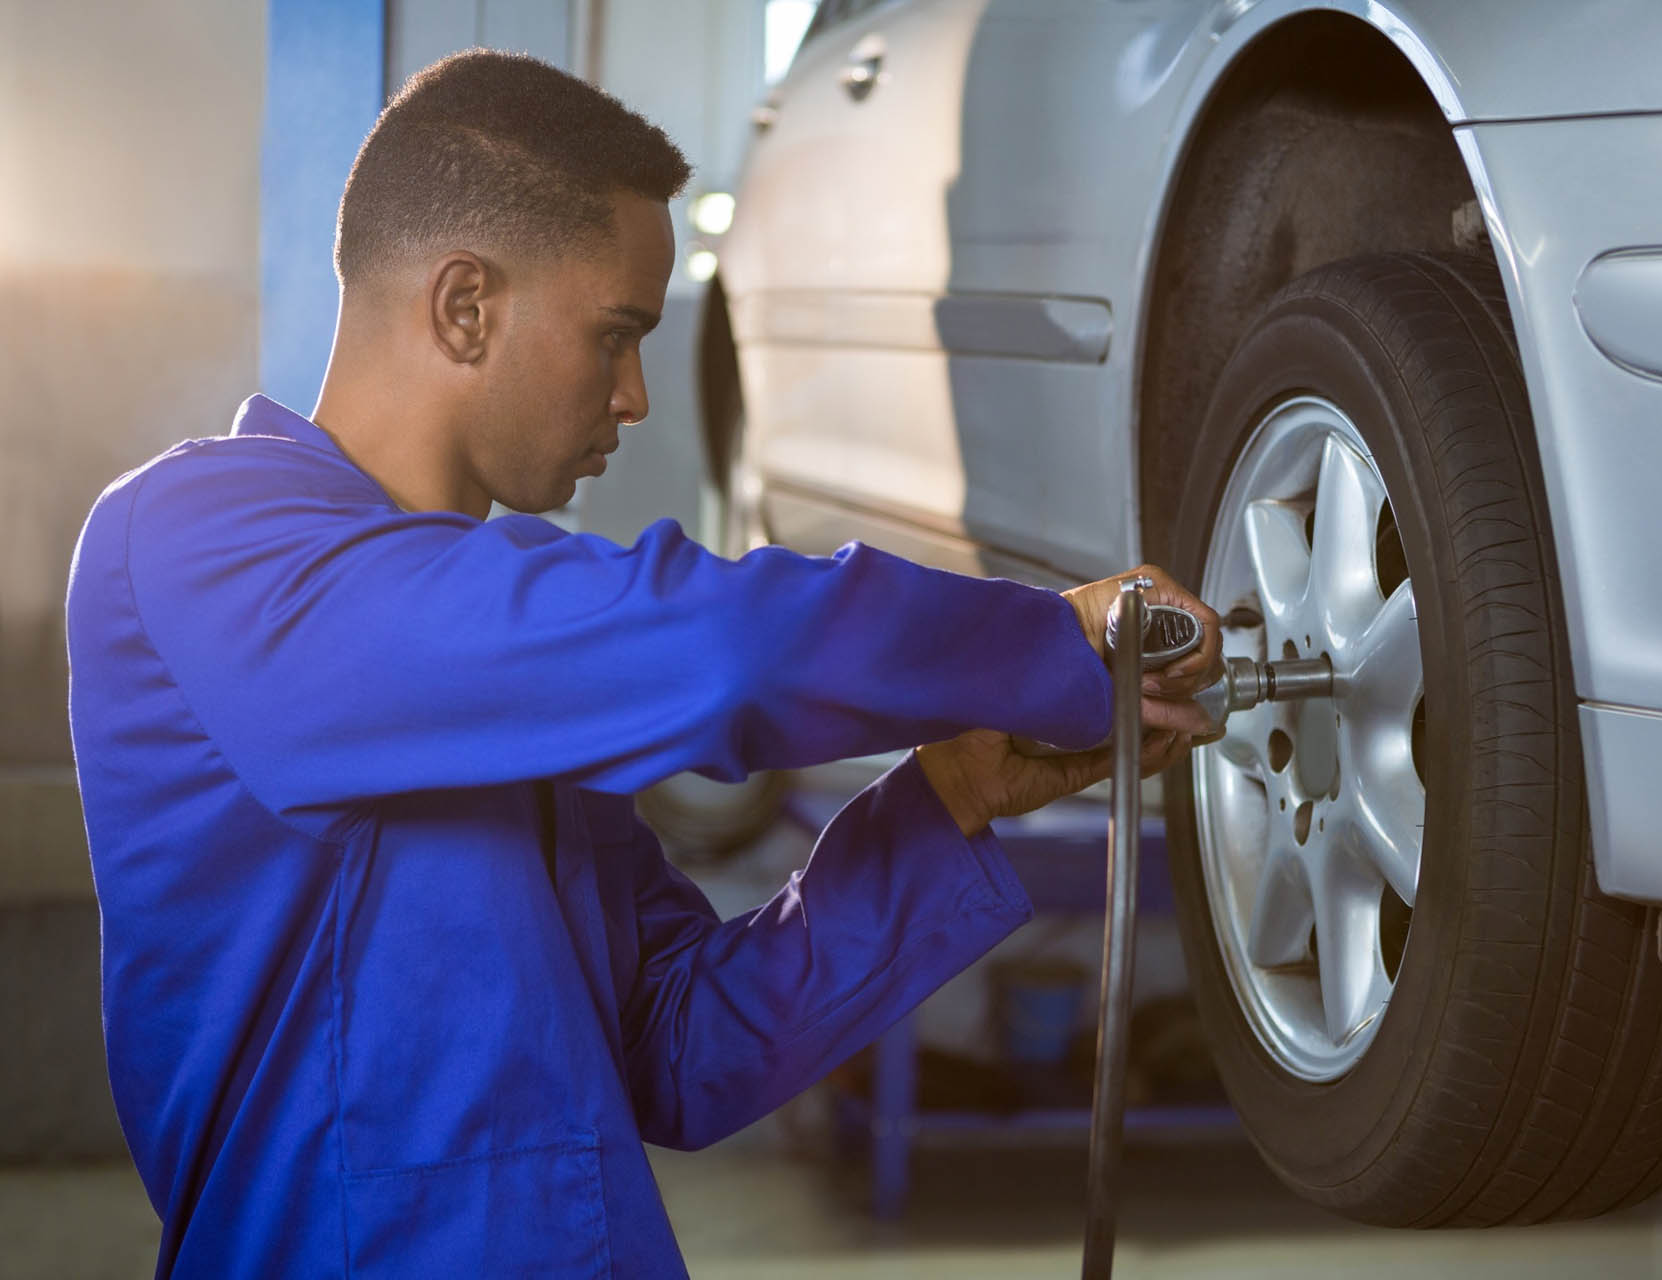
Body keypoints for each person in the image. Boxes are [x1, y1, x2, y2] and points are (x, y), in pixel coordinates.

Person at [65, 50, 1221, 1278]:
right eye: (616, 336)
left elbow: (681, 1046)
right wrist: (1037, 643)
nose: (635, 399)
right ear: (466, 307)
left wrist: (949, 801)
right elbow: (731, 648)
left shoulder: (505, 672)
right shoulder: (195, 540)